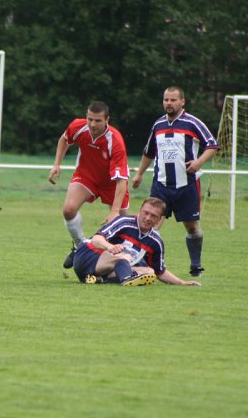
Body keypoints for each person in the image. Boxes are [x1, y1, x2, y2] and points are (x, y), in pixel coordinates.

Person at [132, 86, 219, 277]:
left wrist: (198, 162)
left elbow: (212, 145)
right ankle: (143, 264)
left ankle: (195, 265)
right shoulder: (158, 125)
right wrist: (139, 174)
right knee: (150, 223)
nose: (169, 103)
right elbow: (149, 152)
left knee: (192, 227)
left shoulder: (193, 123)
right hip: (161, 185)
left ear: (182, 101)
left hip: (186, 185)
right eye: (166, 100)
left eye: (173, 100)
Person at [48, 101, 129, 270]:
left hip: (112, 183)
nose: (92, 124)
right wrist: (56, 164)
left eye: (98, 120)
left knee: (124, 228)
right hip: (87, 176)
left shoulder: (115, 140)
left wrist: (114, 211)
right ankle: (80, 246)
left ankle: (130, 263)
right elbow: (64, 140)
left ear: (107, 120)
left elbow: (121, 180)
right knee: (68, 210)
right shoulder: (78, 127)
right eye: (90, 119)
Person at [72, 197, 201, 287]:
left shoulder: (156, 242)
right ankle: (126, 279)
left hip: (104, 269)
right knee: (125, 257)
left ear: (159, 219)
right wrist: (110, 247)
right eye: (146, 213)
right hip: (86, 258)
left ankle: (99, 280)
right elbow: (96, 239)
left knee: (149, 272)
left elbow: (160, 272)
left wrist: (182, 283)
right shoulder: (124, 222)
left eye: (153, 216)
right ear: (140, 211)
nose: (148, 218)